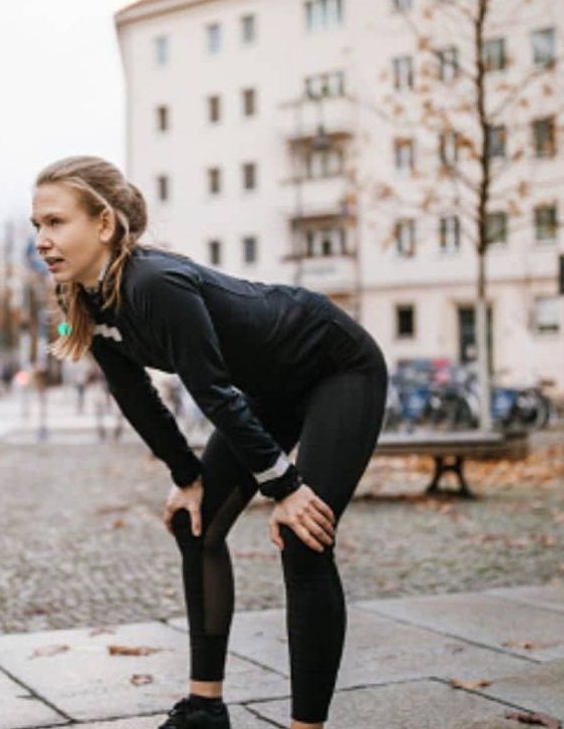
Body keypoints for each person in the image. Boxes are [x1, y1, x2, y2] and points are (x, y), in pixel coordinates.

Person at [32, 156, 387, 729]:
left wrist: (287, 489)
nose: (43, 241)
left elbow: (214, 393)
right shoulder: (87, 299)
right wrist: (186, 478)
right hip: (270, 390)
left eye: (55, 222)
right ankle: (205, 706)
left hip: (335, 367)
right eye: (37, 227)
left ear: (103, 224)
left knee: (305, 536)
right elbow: (138, 398)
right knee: (192, 525)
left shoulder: (155, 283)